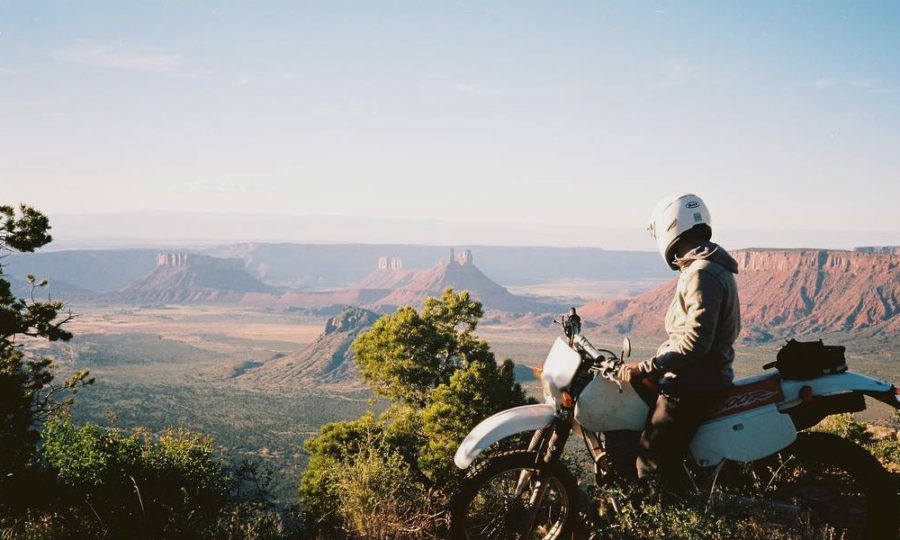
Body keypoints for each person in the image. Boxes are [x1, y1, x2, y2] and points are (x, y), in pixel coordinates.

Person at [617, 192, 740, 498]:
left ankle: (666, 515)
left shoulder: (701, 273)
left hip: (694, 384)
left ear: (670, 227)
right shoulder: (707, 265)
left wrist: (646, 367)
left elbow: (696, 342)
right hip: (703, 376)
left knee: (650, 463)